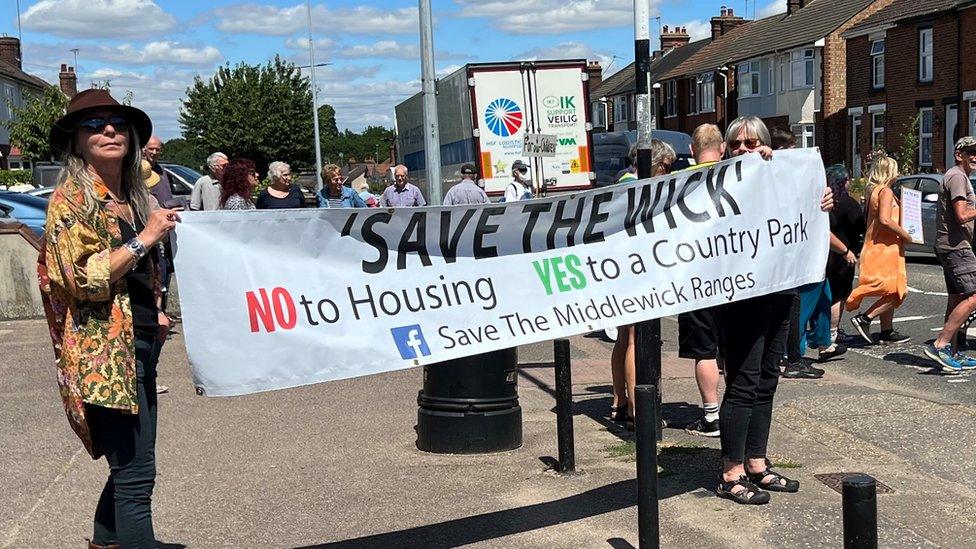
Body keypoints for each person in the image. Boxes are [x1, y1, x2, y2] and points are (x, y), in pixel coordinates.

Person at [38, 88, 180, 548]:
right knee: (137, 475)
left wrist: (156, 309)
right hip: (104, 352)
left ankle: (105, 542)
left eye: (117, 123)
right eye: (93, 125)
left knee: (129, 466)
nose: (109, 130)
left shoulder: (133, 195)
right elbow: (80, 277)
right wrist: (144, 238)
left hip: (140, 341)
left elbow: (143, 274)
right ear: (76, 142)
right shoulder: (70, 200)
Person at [714, 116, 831, 505]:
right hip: (742, 297)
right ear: (726, 150)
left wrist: (820, 200)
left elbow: (804, 211)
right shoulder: (717, 182)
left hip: (782, 289)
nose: (745, 150)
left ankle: (756, 463)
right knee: (743, 381)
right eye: (737, 144)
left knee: (768, 378)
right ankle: (730, 474)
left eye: (753, 143)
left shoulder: (780, 176)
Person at [609, 139, 675, 426]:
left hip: (615, 270)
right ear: (655, 164)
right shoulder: (638, 188)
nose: (668, 173)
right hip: (633, 272)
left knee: (624, 338)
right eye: (667, 167)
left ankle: (620, 401)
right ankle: (638, 411)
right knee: (635, 338)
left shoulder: (620, 183)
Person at [677, 125, 725, 437]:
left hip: (696, 279)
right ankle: (736, 407)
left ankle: (711, 416)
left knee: (705, 351)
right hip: (735, 276)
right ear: (722, 149)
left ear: (692, 151)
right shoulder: (739, 178)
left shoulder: (681, 183)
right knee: (734, 348)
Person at [771, 128, 827, 379]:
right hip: (773, 258)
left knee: (792, 307)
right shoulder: (768, 175)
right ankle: (787, 357)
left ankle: (793, 357)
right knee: (782, 309)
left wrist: (824, 198)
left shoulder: (787, 177)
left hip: (789, 256)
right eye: (789, 150)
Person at [845, 155, 912, 346]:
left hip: (879, 246)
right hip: (885, 248)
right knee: (898, 290)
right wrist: (905, 235)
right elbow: (884, 219)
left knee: (889, 288)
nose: (898, 173)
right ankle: (865, 318)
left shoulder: (875, 190)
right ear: (890, 171)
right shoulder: (886, 191)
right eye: (896, 169)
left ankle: (886, 331)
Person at [924, 136, 976, 373]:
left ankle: (952, 352)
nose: (974, 156)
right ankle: (940, 344)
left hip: (951, 245)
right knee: (974, 296)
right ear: (959, 155)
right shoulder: (956, 176)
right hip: (957, 247)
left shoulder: (959, 176)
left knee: (956, 298)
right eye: (970, 152)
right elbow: (962, 215)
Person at [823, 164, 865, 360]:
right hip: (843, 254)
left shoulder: (825, 202)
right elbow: (860, 227)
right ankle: (832, 333)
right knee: (839, 295)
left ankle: (826, 332)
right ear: (844, 181)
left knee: (827, 293)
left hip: (825, 254)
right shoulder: (849, 203)